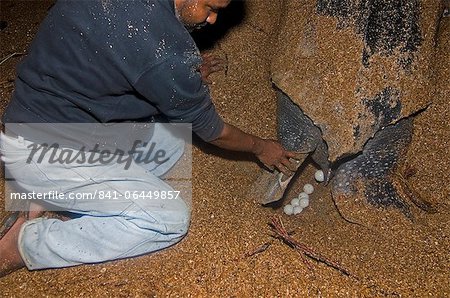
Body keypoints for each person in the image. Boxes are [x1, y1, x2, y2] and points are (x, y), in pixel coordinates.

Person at [0, 0, 297, 277]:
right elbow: (212, 131)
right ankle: (25, 244)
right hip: (41, 151)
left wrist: (178, 80)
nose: (212, 18)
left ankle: (60, 198)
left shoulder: (149, 32)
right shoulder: (163, 50)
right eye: (210, 7)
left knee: (169, 141)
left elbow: (117, 53)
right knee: (169, 220)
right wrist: (261, 147)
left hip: (36, 115)